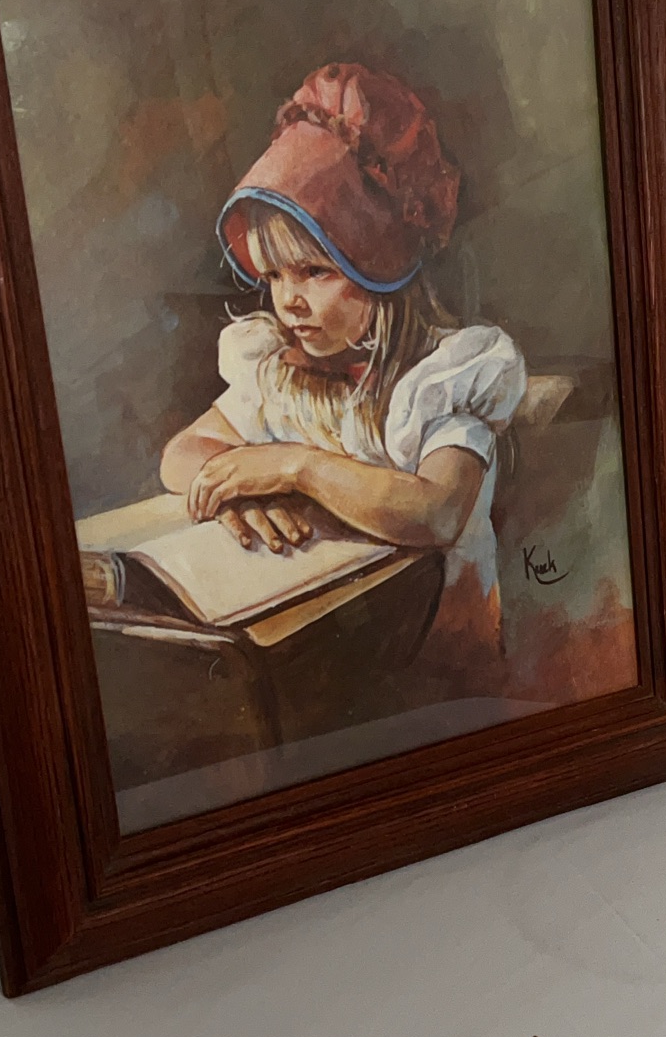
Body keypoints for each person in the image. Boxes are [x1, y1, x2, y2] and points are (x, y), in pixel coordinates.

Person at [160, 63, 527, 660]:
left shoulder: (440, 380)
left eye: (315, 271)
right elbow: (181, 454)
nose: (288, 300)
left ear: (380, 268)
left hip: (435, 646)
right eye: (274, 275)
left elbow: (436, 512)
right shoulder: (282, 373)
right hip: (330, 642)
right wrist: (241, 488)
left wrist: (294, 468)